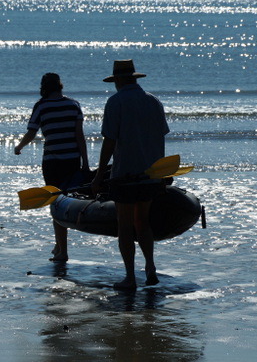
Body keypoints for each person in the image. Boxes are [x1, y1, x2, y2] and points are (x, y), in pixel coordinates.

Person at [91, 60, 170, 290]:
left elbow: (110, 141)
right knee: (142, 222)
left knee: (125, 226)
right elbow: (160, 137)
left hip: (124, 173)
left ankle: (130, 277)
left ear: (119, 80)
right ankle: (150, 267)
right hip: (149, 173)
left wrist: (98, 176)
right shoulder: (153, 101)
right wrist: (162, 173)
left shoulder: (115, 102)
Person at [15, 73, 89, 262]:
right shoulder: (74, 105)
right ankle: (59, 246)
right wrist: (86, 163)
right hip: (73, 160)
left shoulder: (41, 106)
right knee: (68, 199)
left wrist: (19, 146)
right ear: (60, 86)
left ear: (43, 87)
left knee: (56, 201)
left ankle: (62, 251)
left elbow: (31, 132)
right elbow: (80, 137)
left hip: (53, 162)